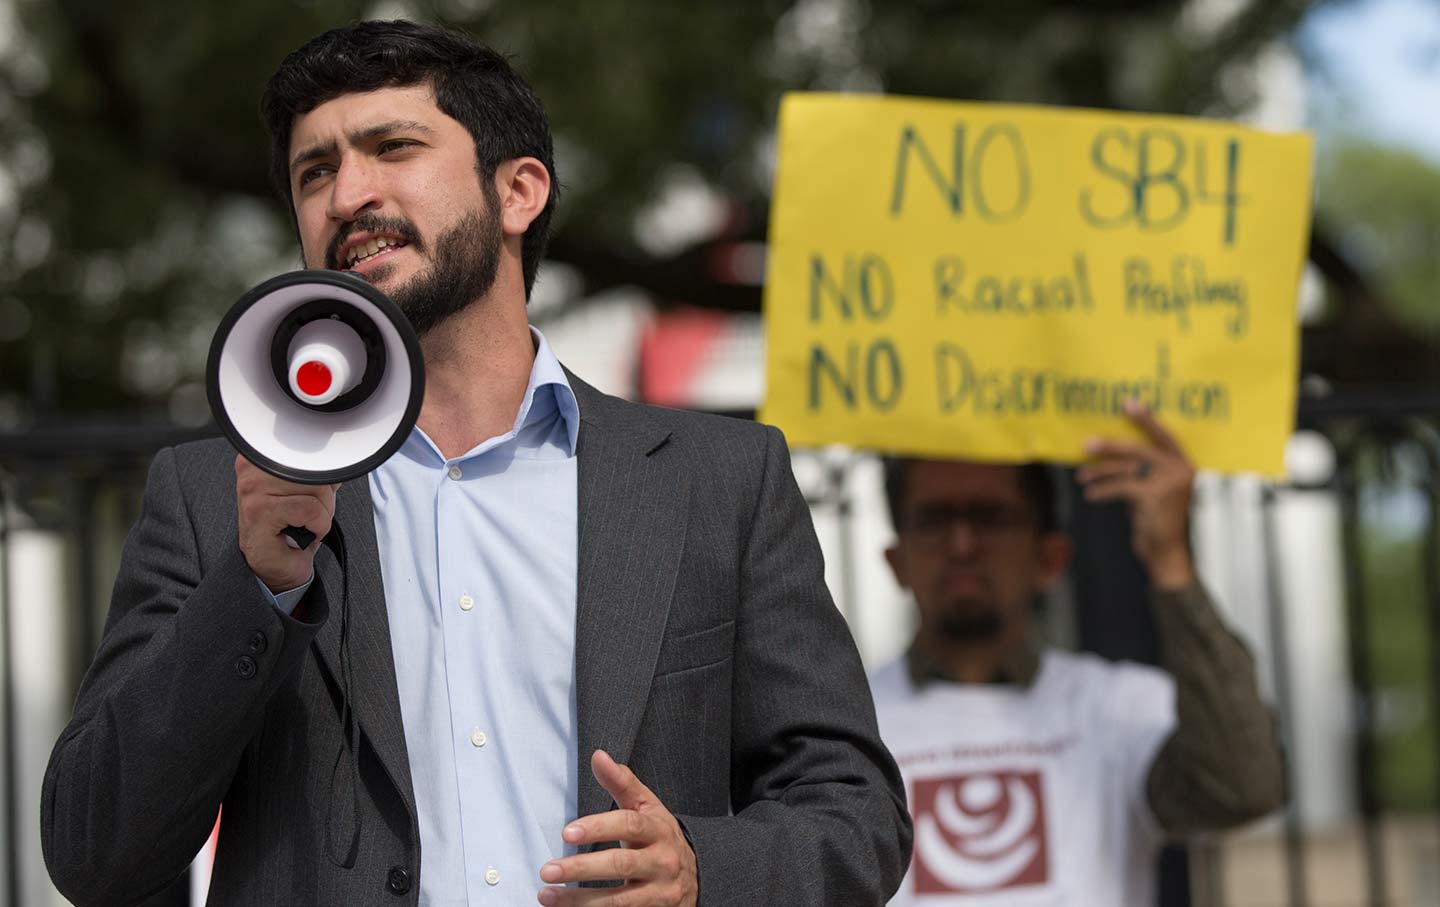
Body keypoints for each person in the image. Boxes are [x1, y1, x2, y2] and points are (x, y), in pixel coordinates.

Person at [41, 20, 910, 907]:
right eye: (316, 171)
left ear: (519, 191)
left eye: (392, 147)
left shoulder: (717, 479)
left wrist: (697, 867)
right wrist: (254, 587)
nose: (348, 194)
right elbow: (93, 851)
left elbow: (856, 815)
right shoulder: (214, 497)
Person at [871, 403, 1286, 905]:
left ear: (1051, 558)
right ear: (896, 561)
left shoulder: (1120, 706)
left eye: (990, 517)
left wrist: (1171, 561)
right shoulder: (845, 724)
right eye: (935, 519)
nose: (962, 544)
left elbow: (1242, 791)